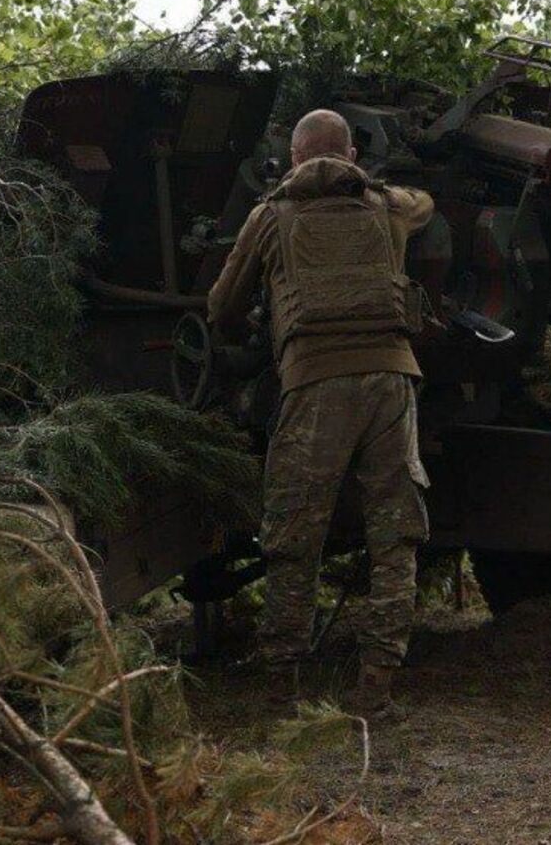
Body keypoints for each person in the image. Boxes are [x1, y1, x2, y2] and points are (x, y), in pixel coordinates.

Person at [207, 109, 436, 715]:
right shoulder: (389, 207)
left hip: (314, 383)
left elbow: (222, 307)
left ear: (293, 160)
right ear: (354, 155)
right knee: (395, 537)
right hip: (391, 379)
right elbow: (427, 204)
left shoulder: (270, 215)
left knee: (293, 535)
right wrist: (372, 184)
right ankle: (376, 686)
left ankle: (283, 685)